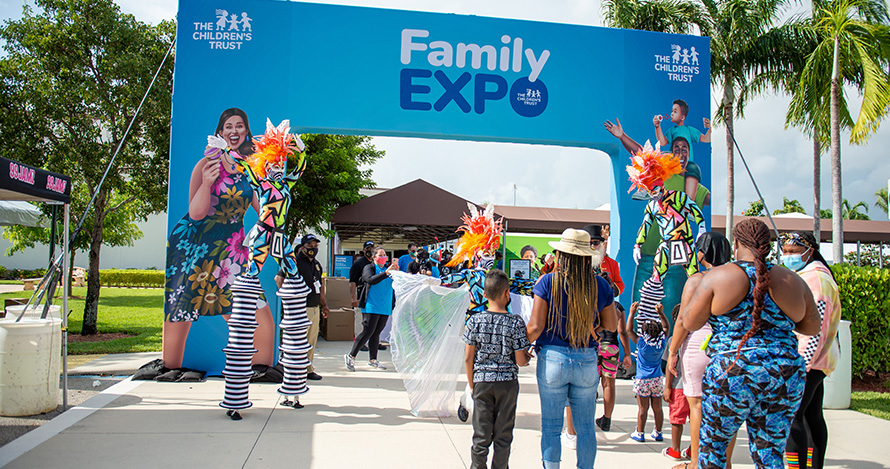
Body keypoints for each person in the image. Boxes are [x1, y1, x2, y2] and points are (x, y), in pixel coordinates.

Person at [682, 218, 820, 468]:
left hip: (733, 370)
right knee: (770, 453)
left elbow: (689, 322)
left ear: (735, 243)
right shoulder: (791, 279)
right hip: (784, 373)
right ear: (768, 245)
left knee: (713, 451)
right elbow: (811, 326)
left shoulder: (719, 276)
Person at [162, 108, 276, 376]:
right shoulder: (205, 165)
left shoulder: (251, 168)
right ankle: (171, 368)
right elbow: (196, 213)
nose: (234, 131)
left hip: (231, 250)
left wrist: (272, 184)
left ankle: (258, 369)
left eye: (239, 126)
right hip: (193, 246)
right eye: (228, 127)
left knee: (258, 318)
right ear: (220, 132)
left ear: (246, 131)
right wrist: (207, 182)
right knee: (181, 311)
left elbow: (264, 212)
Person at [526, 228, 618, 469]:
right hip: (587, 359)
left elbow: (535, 327)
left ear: (562, 255)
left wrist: (519, 346)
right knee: (586, 428)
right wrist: (591, 326)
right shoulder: (600, 285)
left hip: (553, 358)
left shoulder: (548, 282)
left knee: (551, 427)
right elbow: (611, 326)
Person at [667, 231, 734, 469]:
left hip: (698, 344)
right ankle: (725, 463)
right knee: (727, 407)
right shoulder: (737, 277)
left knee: (697, 406)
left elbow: (683, 320)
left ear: (703, 253)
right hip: (728, 345)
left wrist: (673, 352)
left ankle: (696, 462)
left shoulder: (696, 279)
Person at [781, 231, 841, 469]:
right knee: (811, 417)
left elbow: (816, 327)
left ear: (810, 251)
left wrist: (801, 365)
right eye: (785, 252)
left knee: (792, 417)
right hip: (818, 361)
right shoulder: (814, 275)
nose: (788, 256)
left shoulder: (815, 279)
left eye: (794, 252)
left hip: (808, 361)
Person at [463, 270, 531, 469]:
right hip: (507, 384)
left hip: (482, 381)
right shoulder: (516, 322)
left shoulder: (474, 321)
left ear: (484, 295)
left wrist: (472, 384)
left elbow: (468, 357)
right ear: (507, 293)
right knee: (503, 435)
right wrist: (526, 357)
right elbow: (520, 360)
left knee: (481, 435)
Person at [278, 234, 329, 381]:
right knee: (297, 341)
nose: (313, 249)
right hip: (300, 308)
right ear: (302, 247)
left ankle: (308, 369)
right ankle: (293, 369)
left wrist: (324, 304)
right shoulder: (294, 263)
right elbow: (279, 279)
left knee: (311, 341)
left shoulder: (317, 264)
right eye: (310, 246)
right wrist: (289, 301)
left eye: (315, 246)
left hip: (314, 308)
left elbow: (320, 287)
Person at [345, 248, 397, 371]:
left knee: (376, 333)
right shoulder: (369, 268)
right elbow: (370, 280)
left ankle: (373, 360)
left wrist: (396, 273)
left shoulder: (388, 270)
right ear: (374, 257)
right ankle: (351, 356)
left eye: (385, 255)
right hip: (371, 305)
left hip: (385, 306)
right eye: (380, 255)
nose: (383, 257)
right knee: (368, 331)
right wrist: (386, 273)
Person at [626, 301, 669, 443]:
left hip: (642, 380)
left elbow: (628, 330)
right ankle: (658, 432)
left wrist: (632, 313)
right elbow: (666, 327)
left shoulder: (642, 344)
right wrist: (661, 313)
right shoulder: (661, 343)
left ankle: (640, 432)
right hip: (657, 379)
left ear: (644, 332)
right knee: (657, 408)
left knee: (642, 408)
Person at [653, 99, 711, 199]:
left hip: (687, 164)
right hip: (674, 163)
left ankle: (688, 203)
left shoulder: (689, 130)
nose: (671, 114)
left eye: (675, 112)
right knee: (661, 157)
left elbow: (706, 139)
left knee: (693, 167)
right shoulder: (672, 130)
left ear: (682, 117)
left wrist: (710, 128)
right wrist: (657, 126)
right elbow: (662, 142)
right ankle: (654, 190)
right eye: (672, 111)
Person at [663, 305, 691, 462]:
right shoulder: (697, 340)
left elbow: (668, 367)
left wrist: (667, 387)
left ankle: (675, 450)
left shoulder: (673, 341)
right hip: (693, 388)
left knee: (676, 420)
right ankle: (693, 449)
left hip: (678, 387)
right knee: (694, 419)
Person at [350, 241, 375, 337]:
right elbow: (352, 282)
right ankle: (360, 341)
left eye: (372, 248)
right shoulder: (358, 264)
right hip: (361, 294)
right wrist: (353, 298)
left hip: (373, 295)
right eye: (368, 248)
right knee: (360, 319)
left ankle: (374, 340)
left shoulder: (375, 263)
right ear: (364, 250)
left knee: (373, 319)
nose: (370, 250)